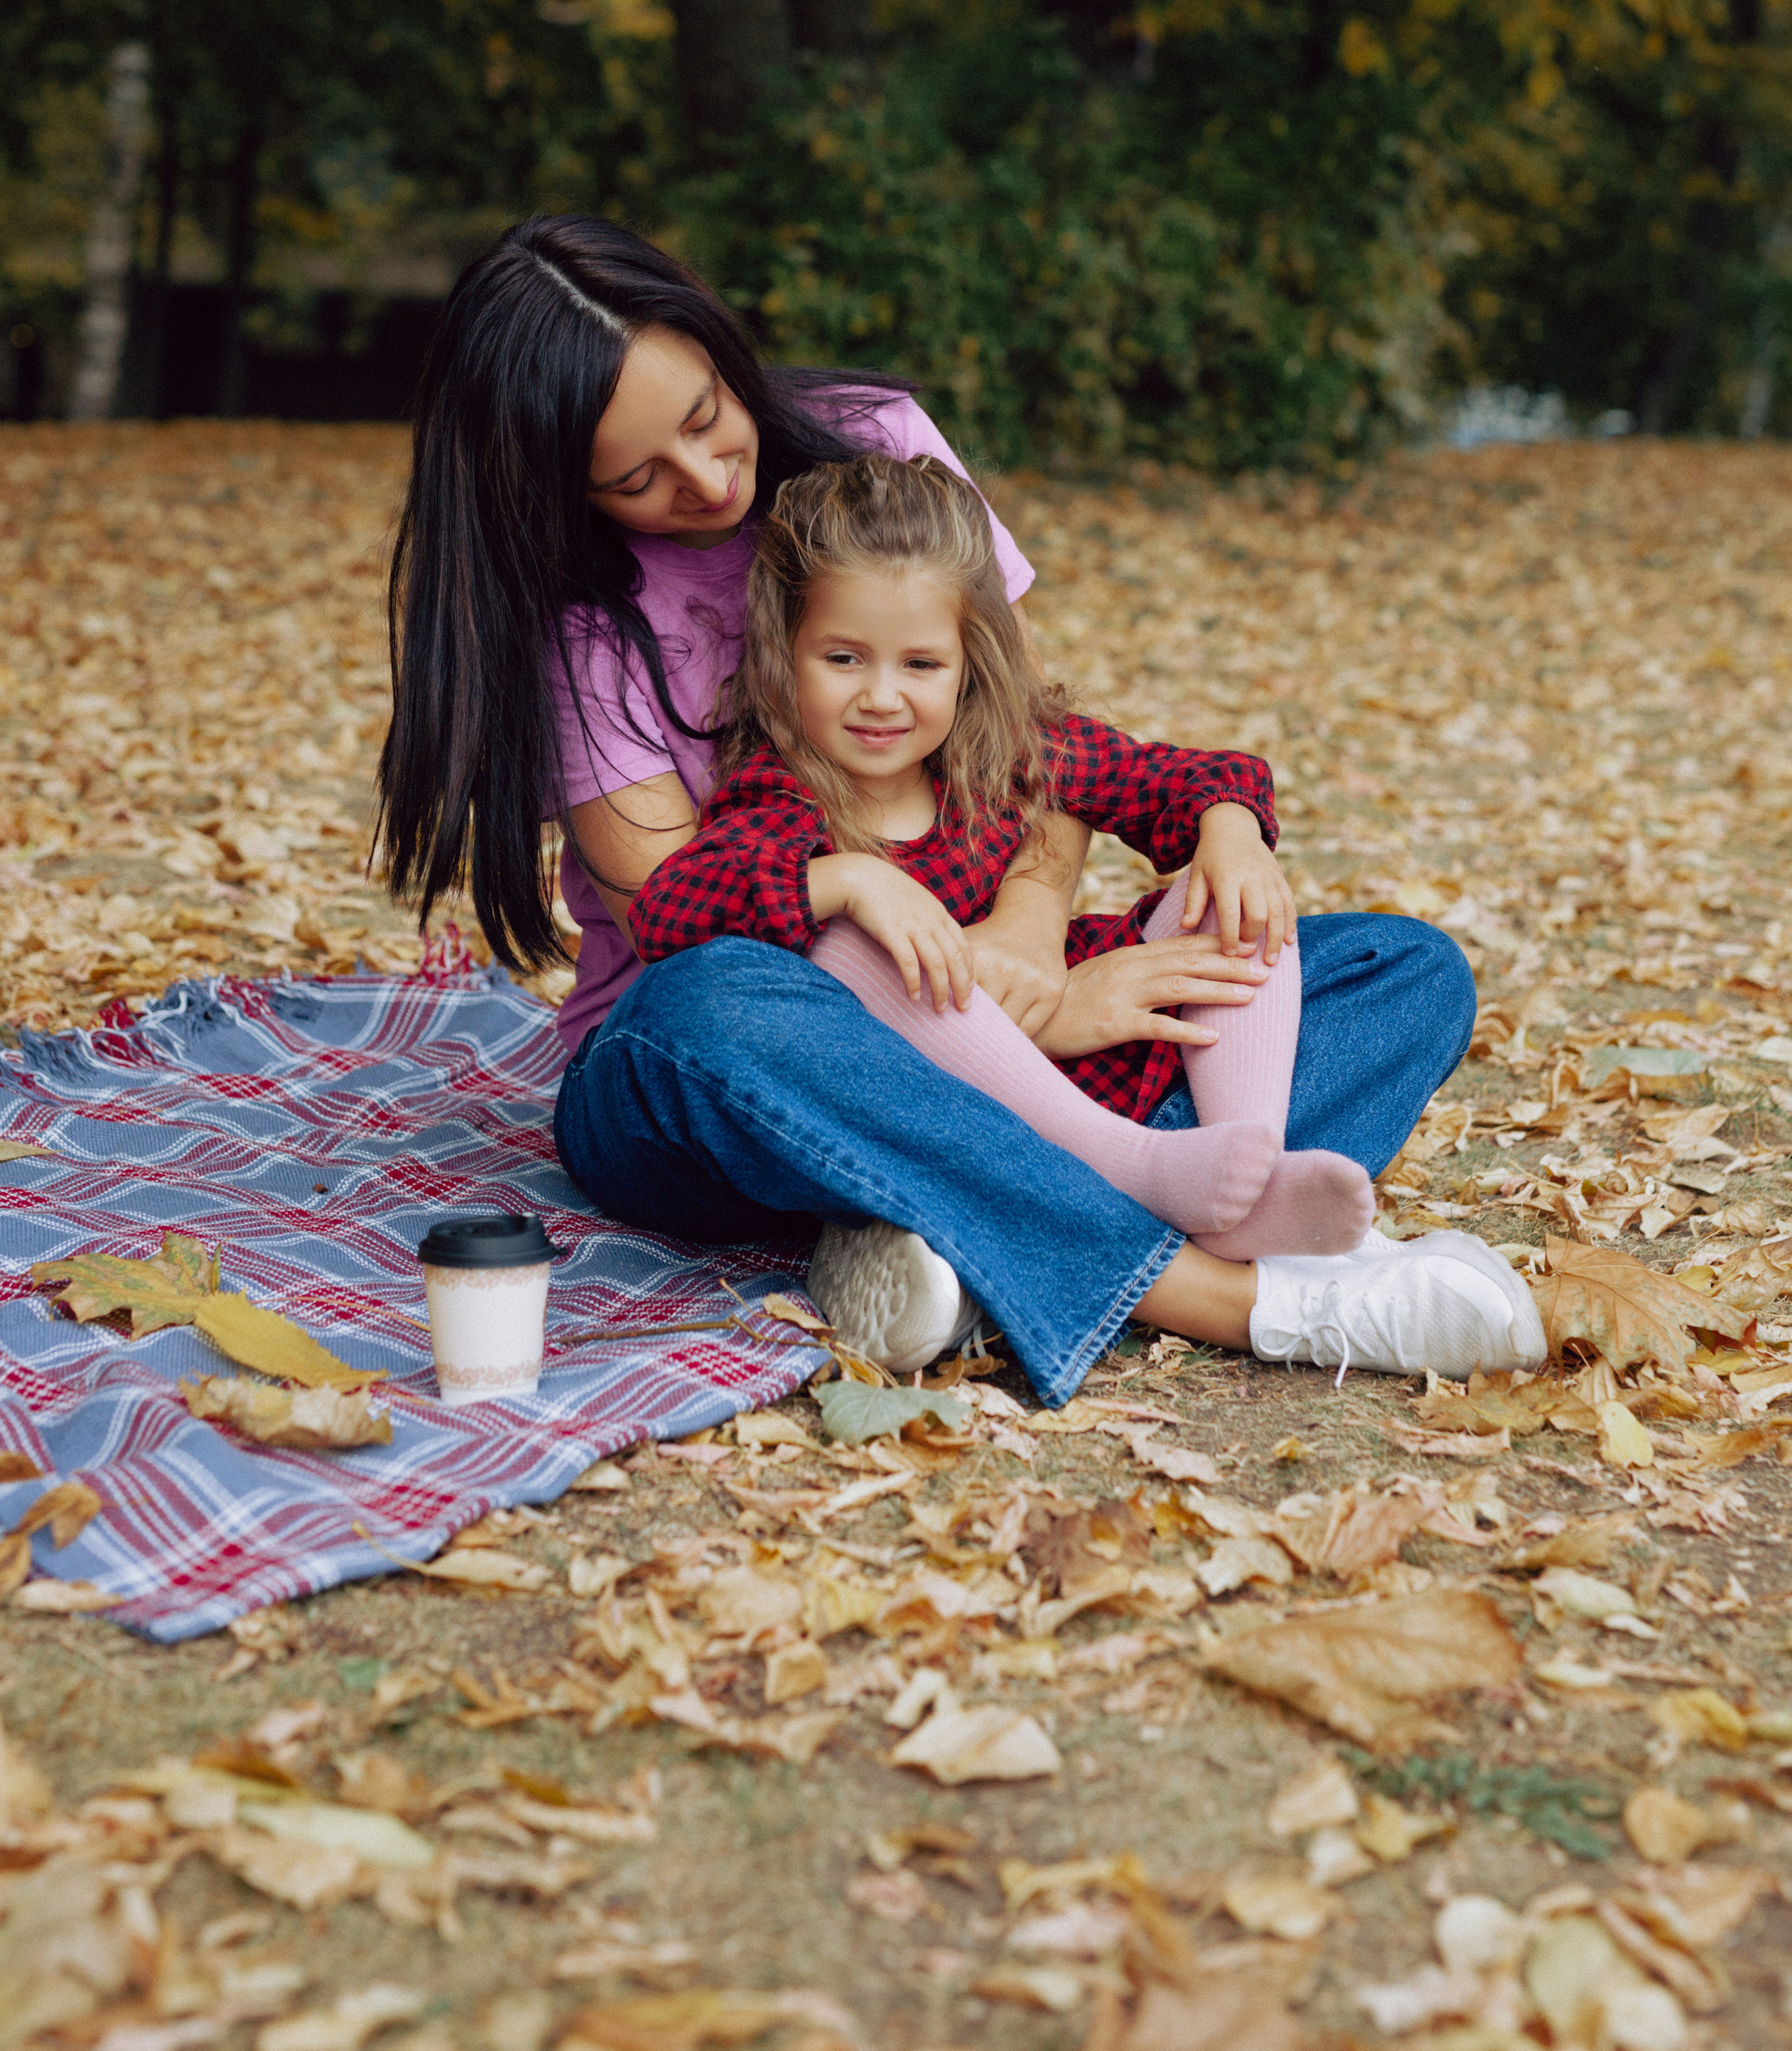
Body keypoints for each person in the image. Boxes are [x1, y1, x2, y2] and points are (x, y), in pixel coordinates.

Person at [379, 214, 1545, 1407]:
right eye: (636, 480)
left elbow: (1031, 738)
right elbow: (689, 911)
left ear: (723, 352)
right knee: (719, 1004)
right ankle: (1235, 1295)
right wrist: (972, 977)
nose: (709, 481)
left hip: (993, 993)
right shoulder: (584, 634)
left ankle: (959, 1244)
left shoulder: (884, 453)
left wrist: (1041, 945)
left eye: (704, 418)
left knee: (1397, 970)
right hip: (740, 1058)